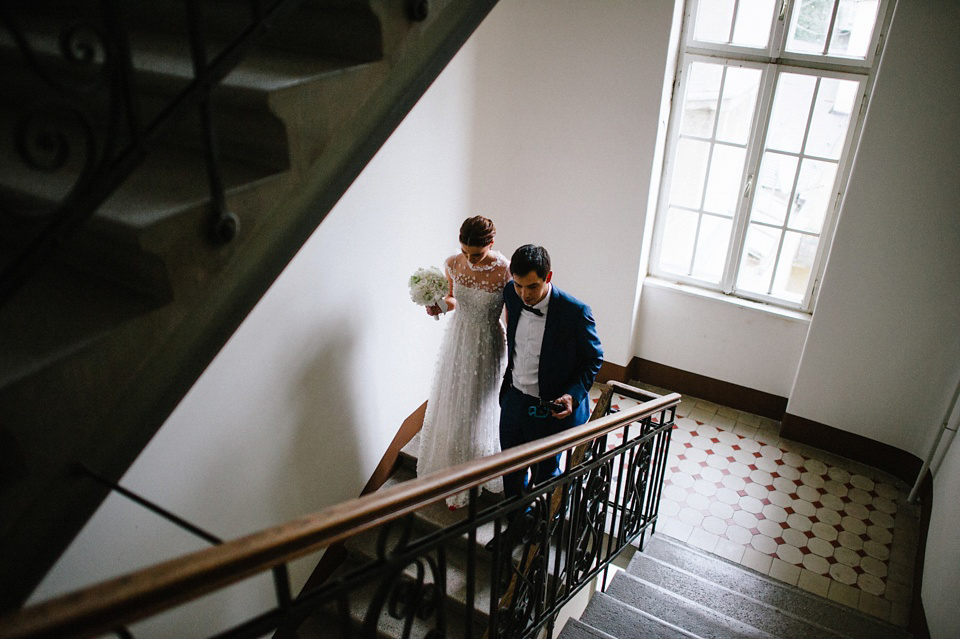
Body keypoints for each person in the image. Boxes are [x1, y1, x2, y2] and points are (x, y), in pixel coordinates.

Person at [490, 244, 603, 545]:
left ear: (548, 276)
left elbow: (593, 359)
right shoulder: (511, 296)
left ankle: (540, 528)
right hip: (514, 400)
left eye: (533, 286)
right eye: (519, 285)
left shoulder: (575, 312)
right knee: (510, 471)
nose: (525, 294)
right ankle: (515, 527)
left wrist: (573, 395)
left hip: (550, 409)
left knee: (546, 474)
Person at [417, 216, 511, 509]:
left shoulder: (504, 270)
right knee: (454, 401)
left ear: (491, 244)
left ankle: (470, 475)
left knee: (477, 404)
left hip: (488, 342)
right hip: (458, 340)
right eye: (465, 251)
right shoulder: (453, 263)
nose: (469, 259)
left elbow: (510, 315)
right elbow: (453, 299)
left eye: (476, 254)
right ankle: (450, 470)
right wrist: (439, 306)